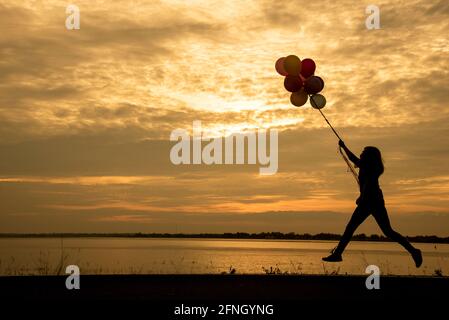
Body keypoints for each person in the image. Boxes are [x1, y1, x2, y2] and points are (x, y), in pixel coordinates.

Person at [322, 140, 423, 268]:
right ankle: (414, 251)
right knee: (386, 231)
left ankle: (337, 254)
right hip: (374, 201)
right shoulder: (368, 167)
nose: (361, 153)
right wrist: (344, 146)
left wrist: (362, 198)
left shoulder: (370, 168)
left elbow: (368, 184)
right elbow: (356, 163)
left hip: (370, 201)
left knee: (353, 228)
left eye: (363, 152)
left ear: (369, 156)